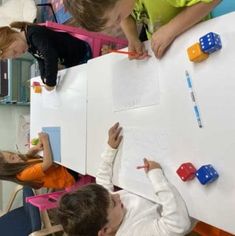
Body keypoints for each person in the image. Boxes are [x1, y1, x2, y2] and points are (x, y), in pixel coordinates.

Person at [57, 122, 192, 236]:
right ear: (105, 230)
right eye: (114, 203)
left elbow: (102, 178)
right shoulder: (133, 232)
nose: (117, 197)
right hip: (186, 203)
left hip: (161, 187)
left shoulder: (106, 207)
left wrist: (110, 149)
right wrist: (156, 176)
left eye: (111, 195)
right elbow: (177, 225)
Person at [63, 0, 220, 59]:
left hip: (194, 34)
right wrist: (132, 37)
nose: (118, 24)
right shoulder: (122, 4)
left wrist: (170, 30)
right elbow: (126, 16)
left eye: (117, 18)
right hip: (168, 43)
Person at [0, 21, 92, 90]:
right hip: (71, 60)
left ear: (11, 38)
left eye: (15, 52)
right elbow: (40, 58)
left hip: (80, 53)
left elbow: (50, 55)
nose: (18, 55)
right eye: (14, 56)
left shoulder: (34, 34)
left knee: (86, 86)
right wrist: (43, 77)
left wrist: (50, 82)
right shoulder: (28, 44)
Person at [0, 132, 78, 189]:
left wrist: (35, 148)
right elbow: (47, 163)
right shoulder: (24, 175)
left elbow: (27, 156)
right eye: (12, 158)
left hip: (61, 167)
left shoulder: (19, 163)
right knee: (74, 150)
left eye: (12, 154)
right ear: (9, 168)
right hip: (67, 176)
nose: (16, 156)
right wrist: (45, 141)